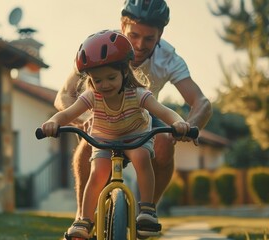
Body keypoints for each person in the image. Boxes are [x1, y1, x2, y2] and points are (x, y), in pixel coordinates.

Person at [54, 0, 213, 230]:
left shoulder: (168, 57)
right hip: (103, 112)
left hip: (142, 112)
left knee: (166, 141)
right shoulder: (101, 46)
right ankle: (82, 218)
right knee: (86, 145)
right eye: (134, 35)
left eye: (149, 38)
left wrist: (189, 126)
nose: (140, 45)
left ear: (160, 34)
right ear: (122, 25)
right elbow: (63, 96)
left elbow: (201, 102)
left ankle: (147, 212)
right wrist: (80, 120)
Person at [41, 30, 192, 239]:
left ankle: (147, 210)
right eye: (98, 80)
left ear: (125, 72)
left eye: (111, 77)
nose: (105, 85)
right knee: (98, 173)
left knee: (141, 157)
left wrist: (179, 123)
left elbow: (164, 111)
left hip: (135, 136)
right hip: (104, 138)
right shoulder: (91, 96)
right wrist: (53, 122)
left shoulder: (138, 94)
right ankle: (84, 220)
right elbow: (67, 113)